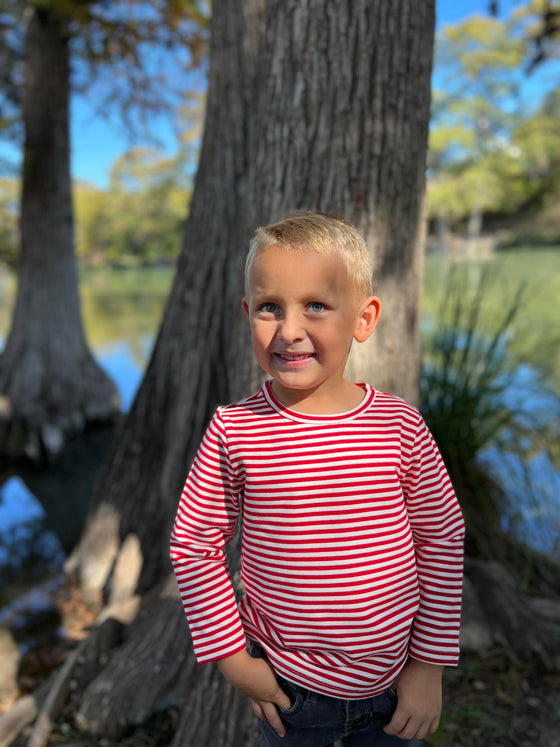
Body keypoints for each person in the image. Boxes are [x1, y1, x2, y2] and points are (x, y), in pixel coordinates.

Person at [170, 212, 464, 746]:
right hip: (288, 694)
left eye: (316, 306)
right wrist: (234, 660)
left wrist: (428, 667)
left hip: (394, 688)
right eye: (269, 308)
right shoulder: (234, 429)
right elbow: (195, 543)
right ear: (247, 314)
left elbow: (441, 538)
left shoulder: (398, 424)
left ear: (364, 318)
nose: (289, 330)